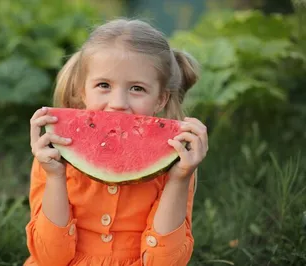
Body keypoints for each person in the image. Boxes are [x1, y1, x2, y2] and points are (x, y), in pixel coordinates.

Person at [25, 18, 208, 266]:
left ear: (161, 99)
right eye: (103, 85)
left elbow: (165, 263)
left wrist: (179, 180)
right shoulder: (53, 154)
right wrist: (55, 177)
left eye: (137, 88)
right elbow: (49, 258)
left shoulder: (176, 163)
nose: (118, 102)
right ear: (82, 91)